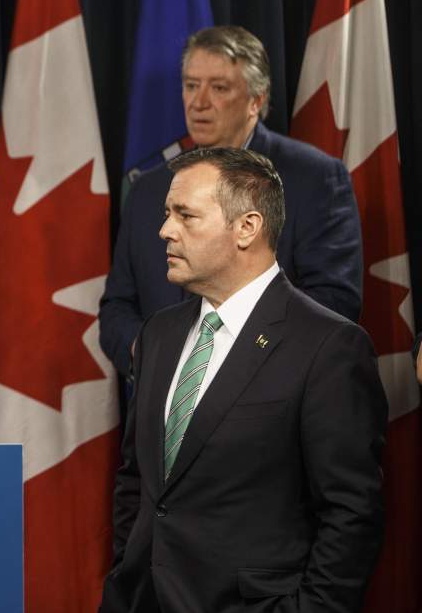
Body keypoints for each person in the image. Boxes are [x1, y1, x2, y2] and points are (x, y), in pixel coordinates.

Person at [97, 146, 386, 613]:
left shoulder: (327, 345)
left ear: (247, 228)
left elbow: (351, 510)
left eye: (184, 215)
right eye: (166, 213)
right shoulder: (158, 334)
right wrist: (125, 579)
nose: (163, 229)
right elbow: (138, 480)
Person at [100, 25, 362, 377]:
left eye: (219, 87)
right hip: (162, 407)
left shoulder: (315, 178)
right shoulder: (148, 189)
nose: (199, 101)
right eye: (191, 85)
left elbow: (334, 300)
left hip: (266, 397)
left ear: (256, 100)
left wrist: (233, 357)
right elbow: (117, 307)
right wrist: (152, 354)